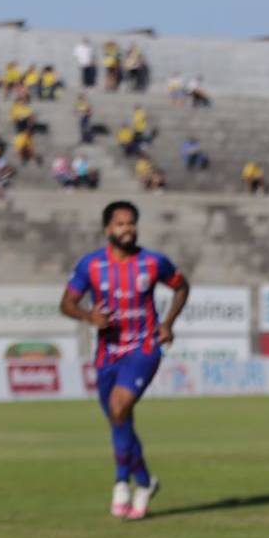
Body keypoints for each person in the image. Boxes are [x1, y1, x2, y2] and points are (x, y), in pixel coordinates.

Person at [60, 201, 190, 520]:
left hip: (143, 348)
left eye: (131, 223)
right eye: (120, 224)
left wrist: (168, 324)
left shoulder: (152, 262)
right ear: (107, 230)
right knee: (120, 419)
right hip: (107, 354)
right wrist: (89, 315)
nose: (127, 229)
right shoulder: (90, 266)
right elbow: (66, 304)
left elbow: (181, 287)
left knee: (119, 408)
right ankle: (144, 483)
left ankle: (121, 482)